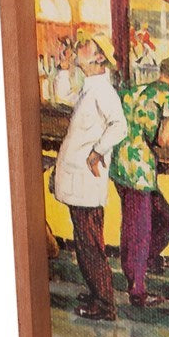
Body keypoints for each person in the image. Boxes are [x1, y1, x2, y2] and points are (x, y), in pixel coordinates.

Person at [53, 32, 128, 321]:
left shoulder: (103, 92)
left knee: (90, 244)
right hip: (79, 179)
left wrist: (97, 151)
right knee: (85, 240)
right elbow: (63, 98)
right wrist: (63, 69)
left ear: (99, 57)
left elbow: (119, 126)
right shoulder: (89, 89)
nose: (78, 48)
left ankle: (105, 303)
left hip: (87, 178)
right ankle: (98, 293)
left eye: (85, 46)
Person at [109, 56, 169, 308]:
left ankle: (140, 266)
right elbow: (164, 139)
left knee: (163, 221)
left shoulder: (133, 91)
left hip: (119, 164)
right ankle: (137, 290)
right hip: (140, 171)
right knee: (140, 231)